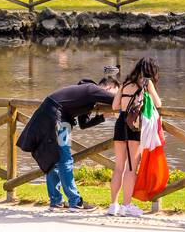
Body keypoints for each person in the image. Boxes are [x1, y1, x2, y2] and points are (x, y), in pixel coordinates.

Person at [17, 76, 119, 210]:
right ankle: (75, 201)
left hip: (52, 115)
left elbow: (84, 124)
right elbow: (116, 101)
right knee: (65, 159)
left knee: (53, 158)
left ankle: (56, 201)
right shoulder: (92, 89)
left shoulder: (87, 96)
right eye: (115, 92)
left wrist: (104, 116)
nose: (113, 95)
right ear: (109, 87)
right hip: (57, 117)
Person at [108, 57, 162, 216]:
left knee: (118, 167)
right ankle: (126, 205)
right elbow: (158, 103)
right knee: (131, 168)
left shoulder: (125, 83)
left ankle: (113, 205)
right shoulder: (146, 83)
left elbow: (114, 106)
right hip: (135, 125)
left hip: (120, 124)